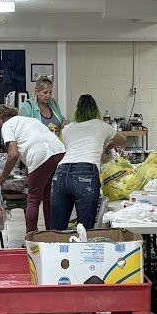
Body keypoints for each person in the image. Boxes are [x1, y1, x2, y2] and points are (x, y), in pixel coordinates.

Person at [53, 95, 126, 229]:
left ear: (77, 110)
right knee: (84, 229)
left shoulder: (68, 129)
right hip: (86, 172)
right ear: (95, 109)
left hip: (61, 173)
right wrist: (107, 147)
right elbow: (121, 139)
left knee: (57, 229)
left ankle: (57, 248)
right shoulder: (101, 125)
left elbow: (63, 147)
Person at [0, 104, 66, 234]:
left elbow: (13, 154)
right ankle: (52, 235)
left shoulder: (7, 125)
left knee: (33, 199)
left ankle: (31, 237)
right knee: (48, 197)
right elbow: (36, 140)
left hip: (39, 157)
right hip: (59, 152)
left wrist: (2, 177)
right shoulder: (32, 120)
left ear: (0, 120)